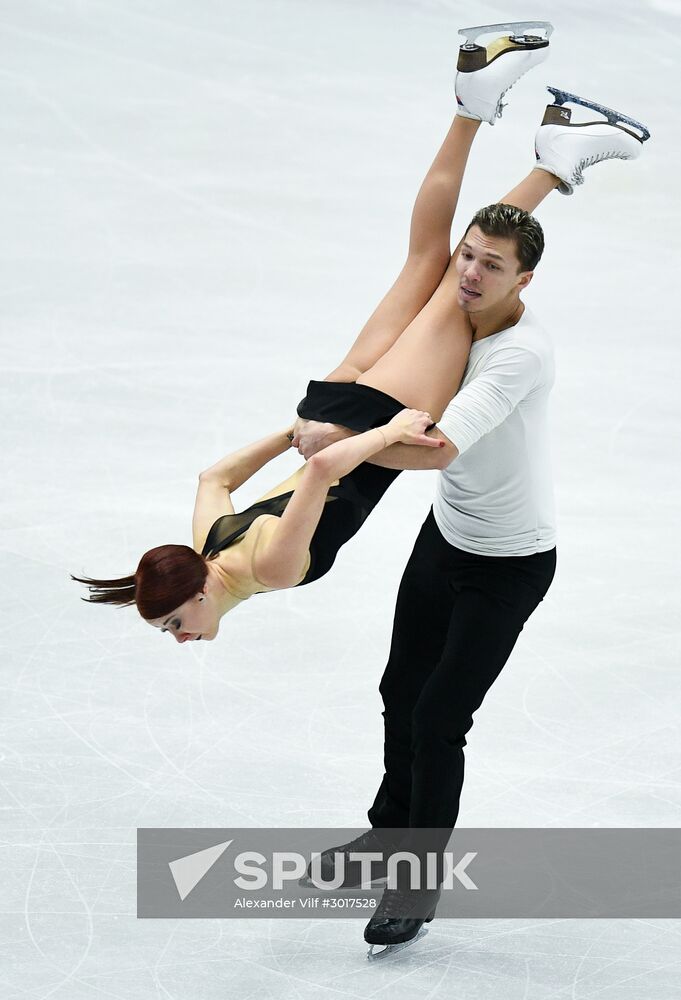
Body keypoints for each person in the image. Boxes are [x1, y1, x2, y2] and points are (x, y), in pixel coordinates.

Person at [294, 38, 651, 958]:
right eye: (472, 257)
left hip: (509, 567)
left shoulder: (517, 353)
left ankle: (415, 882)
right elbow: (432, 258)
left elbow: (438, 444)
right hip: (447, 542)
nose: (470, 272)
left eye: (492, 266)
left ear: (524, 280)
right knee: (394, 689)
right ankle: (384, 833)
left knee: (436, 718)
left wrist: (341, 453)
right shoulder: (459, 308)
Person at [72, 24, 575, 638]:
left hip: (375, 417)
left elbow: (320, 473)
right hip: (328, 404)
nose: (182, 636)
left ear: (200, 590)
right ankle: (533, 143)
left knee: (454, 282)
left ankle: (505, 122)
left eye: (176, 622)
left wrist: (385, 429)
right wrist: (296, 429)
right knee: (429, 264)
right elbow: (215, 479)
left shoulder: (271, 571)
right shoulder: (211, 537)